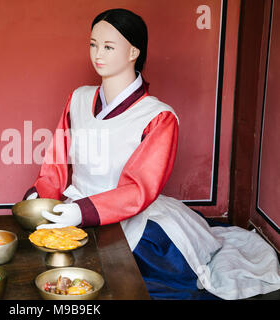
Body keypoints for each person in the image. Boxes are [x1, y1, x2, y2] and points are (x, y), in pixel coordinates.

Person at [23, 8, 280, 300]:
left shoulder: (158, 116)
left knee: (126, 288)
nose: (98, 53)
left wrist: (81, 211)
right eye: (93, 44)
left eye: (108, 46)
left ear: (134, 51)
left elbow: (139, 187)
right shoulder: (78, 98)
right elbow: (56, 161)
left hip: (131, 217)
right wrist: (41, 194)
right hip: (74, 207)